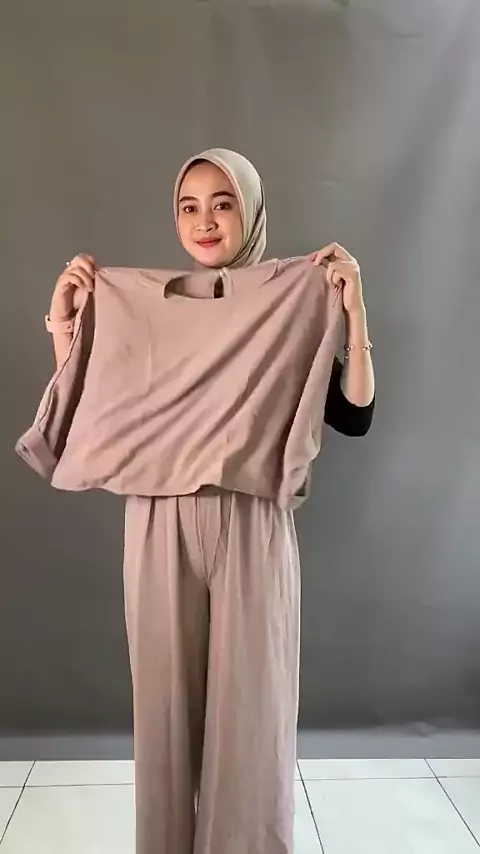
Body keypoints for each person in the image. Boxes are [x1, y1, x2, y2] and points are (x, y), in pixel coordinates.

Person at [46, 149, 375, 854]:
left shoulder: (286, 304)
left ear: (249, 212)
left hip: (253, 519)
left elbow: (354, 415)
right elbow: (90, 414)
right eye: (189, 206)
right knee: (164, 715)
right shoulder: (142, 312)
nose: (205, 221)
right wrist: (65, 327)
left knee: (253, 714)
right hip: (157, 520)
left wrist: (352, 312)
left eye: (222, 203)